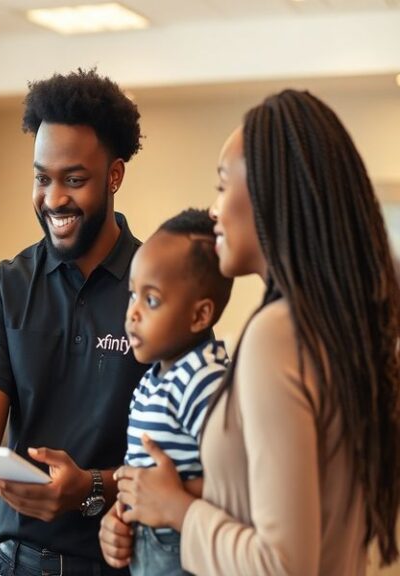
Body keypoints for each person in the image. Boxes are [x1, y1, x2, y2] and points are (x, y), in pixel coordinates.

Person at [99, 89, 400, 575]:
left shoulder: (276, 336)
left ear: (267, 193)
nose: (214, 211)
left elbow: (281, 564)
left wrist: (175, 509)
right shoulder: (336, 330)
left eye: (222, 186)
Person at [0, 68, 145, 576]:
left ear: (115, 175)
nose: (54, 199)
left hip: (122, 564)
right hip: (15, 563)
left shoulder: (157, 288)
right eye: (42, 178)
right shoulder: (7, 289)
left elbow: (187, 468)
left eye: (74, 180)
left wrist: (90, 489)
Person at [102, 208, 232, 575]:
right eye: (132, 296)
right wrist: (119, 517)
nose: (133, 314)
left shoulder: (205, 380)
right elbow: (141, 475)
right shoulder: (151, 381)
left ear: (199, 316)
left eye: (152, 300)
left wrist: (174, 497)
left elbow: (237, 489)